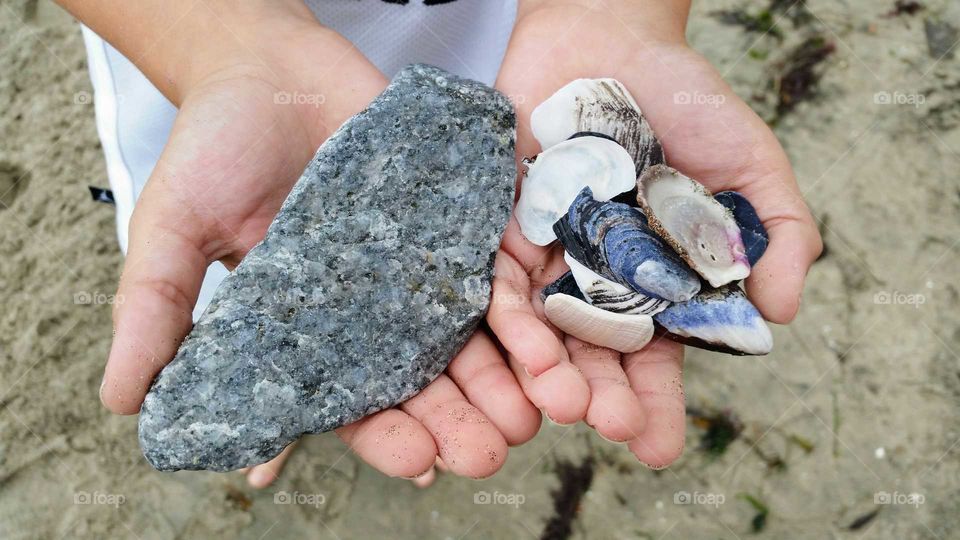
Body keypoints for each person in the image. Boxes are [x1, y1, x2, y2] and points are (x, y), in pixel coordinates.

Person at [58, 0, 822, 489]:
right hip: (193, 27)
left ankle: (289, 391)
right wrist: (221, 44)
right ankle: (276, 388)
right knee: (247, 254)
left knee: (283, 271)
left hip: (512, 33)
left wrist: (617, 13)